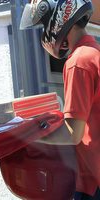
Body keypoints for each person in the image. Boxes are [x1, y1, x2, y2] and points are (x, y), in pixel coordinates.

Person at [20, 0, 100, 199]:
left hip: (94, 179)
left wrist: (30, 137)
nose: (44, 31)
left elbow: (73, 134)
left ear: (59, 19)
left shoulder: (78, 62)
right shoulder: (94, 52)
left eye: (43, 25)